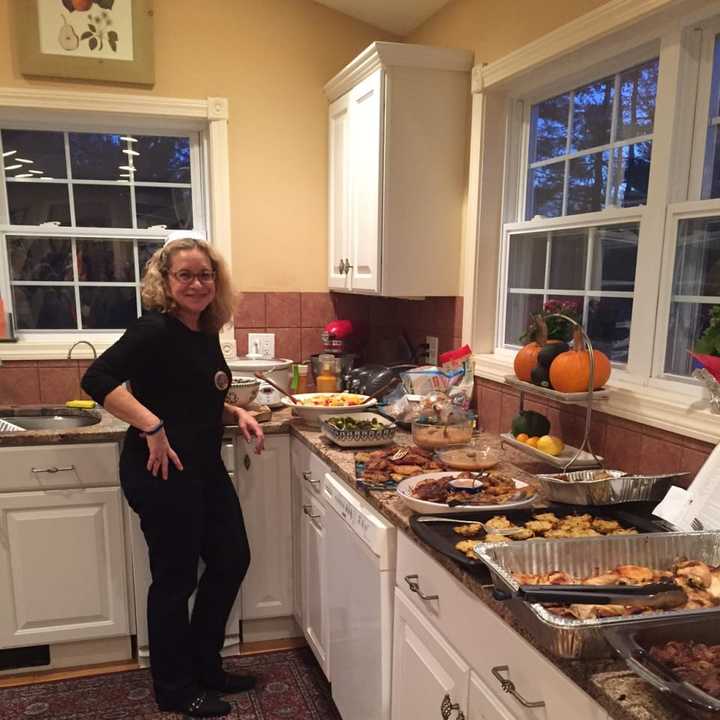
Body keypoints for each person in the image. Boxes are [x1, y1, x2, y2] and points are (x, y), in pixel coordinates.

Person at [82, 235, 264, 718]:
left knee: (231, 560)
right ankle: (174, 688)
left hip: (203, 467)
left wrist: (231, 411)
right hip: (161, 472)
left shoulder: (203, 330)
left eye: (205, 274)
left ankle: (206, 665)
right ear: (165, 281)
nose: (197, 283)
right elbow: (96, 380)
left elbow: (188, 391)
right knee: (175, 580)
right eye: (185, 275)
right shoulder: (153, 330)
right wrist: (151, 424)